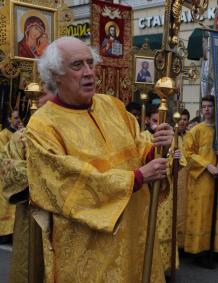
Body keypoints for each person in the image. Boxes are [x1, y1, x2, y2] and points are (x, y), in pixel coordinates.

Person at [27, 36, 173, 282]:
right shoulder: (42, 126)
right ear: (56, 74)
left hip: (135, 234)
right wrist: (137, 178)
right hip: (88, 250)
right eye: (77, 65)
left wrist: (158, 148)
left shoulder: (112, 106)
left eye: (90, 63)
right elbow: (66, 183)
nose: (89, 73)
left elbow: (138, 147)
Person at [0, 84, 56, 283]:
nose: (41, 97)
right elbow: (8, 169)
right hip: (31, 217)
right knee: (30, 268)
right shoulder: (21, 138)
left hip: (66, 220)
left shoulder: (75, 133)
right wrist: (44, 176)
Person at [183, 95, 218, 268]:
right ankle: (200, 251)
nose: (207, 109)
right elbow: (188, 153)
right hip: (202, 179)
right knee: (202, 214)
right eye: (204, 106)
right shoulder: (195, 130)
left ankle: (215, 248)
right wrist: (207, 165)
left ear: (215, 108)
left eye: (210, 106)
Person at [140, 105, 186, 274]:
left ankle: (165, 269)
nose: (157, 126)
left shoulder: (171, 140)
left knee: (165, 229)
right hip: (147, 193)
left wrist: (176, 160)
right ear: (147, 121)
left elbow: (180, 165)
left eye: (161, 122)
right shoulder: (142, 137)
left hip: (165, 194)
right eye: (154, 121)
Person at [0, 109, 22, 243]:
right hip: (5, 175)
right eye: (15, 118)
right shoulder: (3, 135)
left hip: (18, 175)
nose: (18, 120)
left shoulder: (22, 133)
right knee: (5, 205)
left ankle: (13, 232)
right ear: (9, 119)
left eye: (19, 118)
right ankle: (3, 233)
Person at [176, 109, 190, 248]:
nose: (182, 122)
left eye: (185, 119)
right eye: (180, 119)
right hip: (175, 178)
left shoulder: (191, 136)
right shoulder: (171, 136)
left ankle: (185, 243)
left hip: (189, 179)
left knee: (187, 211)